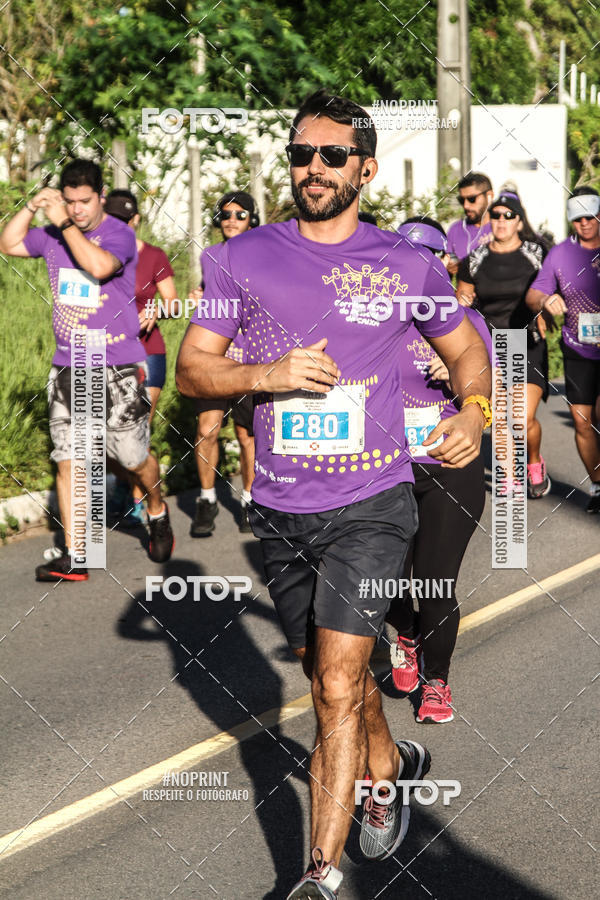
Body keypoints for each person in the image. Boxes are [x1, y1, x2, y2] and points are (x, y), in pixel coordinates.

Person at [176, 89, 491, 899]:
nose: (312, 169)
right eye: (300, 154)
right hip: (282, 512)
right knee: (330, 674)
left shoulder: (405, 264)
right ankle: (389, 770)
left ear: (365, 169)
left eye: (331, 156)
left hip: (374, 504)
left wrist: (476, 409)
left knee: (338, 686)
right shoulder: (239, 260)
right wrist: (263, 374)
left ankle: (318, 874)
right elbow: (191, 369)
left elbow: (466, 353)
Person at [0, 160, 174, 580]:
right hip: (69, 364)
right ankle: (80, 555)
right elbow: (8, 243)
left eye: (84, 201)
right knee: (70, 458)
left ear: (99, 197)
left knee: (132, 457)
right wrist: (31, 205)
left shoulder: (118, 233)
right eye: (69, 201)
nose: (76, 209)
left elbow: (97, 267)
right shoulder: (54, 233)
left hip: (116, 363)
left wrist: (64, 223)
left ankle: (157, 507)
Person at [386, 217, 491, 723]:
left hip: (450, 466)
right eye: (408, 252)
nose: (419, 262)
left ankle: (436, 682)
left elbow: (490, 384)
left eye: (429, 253)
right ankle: (405, 633)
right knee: (383, 581)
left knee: (434, 581)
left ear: (447, 261)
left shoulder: (466, 323)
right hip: (385, 467)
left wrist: (458, 380)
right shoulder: (375, 316)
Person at [456, 191, 550, 498]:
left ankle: (534, 461)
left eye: (508, 215)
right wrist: (464, 302)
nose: (501, 221)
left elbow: (556, 283)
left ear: (519, 220)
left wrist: (549, 308)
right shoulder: (477, 258)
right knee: (499, 416)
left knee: (521, 419)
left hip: (527, 342)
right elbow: (462, 302)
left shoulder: (538, 252)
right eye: (495, 215)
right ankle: (510, 478)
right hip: (491, 345)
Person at [103, 189, 179, 526]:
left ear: (136, 220)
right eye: (113, 219)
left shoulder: (154, 256)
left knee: (137, 432)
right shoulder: (94, 257)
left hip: (148, 353)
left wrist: (157, 306)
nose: (121, 225)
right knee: (106, 433)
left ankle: (140, 500)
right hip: (104, 353)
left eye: (125, 220)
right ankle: (124, 482)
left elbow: (175, 304)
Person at [526, 186, 600, 512]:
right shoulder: (560, 253)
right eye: (578, 218)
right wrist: (545, 300)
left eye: (591, 216)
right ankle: (598, 486)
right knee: (582, 422)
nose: (585, 223)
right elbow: (533, 293)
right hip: (577, 349)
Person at [191, 191, 258, 536]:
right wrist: (198, 296)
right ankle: (206, 500)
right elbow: (207, 292)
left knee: (247, 436)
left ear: (252, 220)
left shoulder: (262, 255)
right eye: (226, 214)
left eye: (240, 214)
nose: (231, 220)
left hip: (249, 358)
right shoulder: (210, 255)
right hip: (215, 357)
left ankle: (249, 500)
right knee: (207, 429)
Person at [446, 172, 494, 276]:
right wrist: (448, 268)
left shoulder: (502, 227)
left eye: (472, 199)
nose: (466, 206)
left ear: (489, 196)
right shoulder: (455, 230)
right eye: (462, 200)